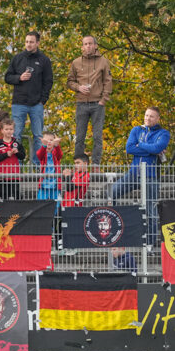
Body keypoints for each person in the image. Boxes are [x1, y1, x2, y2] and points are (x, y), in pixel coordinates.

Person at [110, 107, 170, 244]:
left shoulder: (163, 133)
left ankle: (150, 244)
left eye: (152, 116)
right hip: (133, 174)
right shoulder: (136, 130)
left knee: (151, 212)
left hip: (151, 177)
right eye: (146, 115)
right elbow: (129, 148)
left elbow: (157, 148)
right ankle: (115, 228)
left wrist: (140, 144)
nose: (148, 118)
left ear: (158, 119)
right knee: (111, 193)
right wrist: (151, 150)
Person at [4, 31, 54, 165]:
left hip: (36, 104)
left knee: (38, 136)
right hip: (18, 103)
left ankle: (37, 166)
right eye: (26, 42)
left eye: (31, 42)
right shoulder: (17, 58)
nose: (28, 44)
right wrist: (19, 78)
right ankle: (17, 166)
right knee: (16, 135)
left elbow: (48, 81)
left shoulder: (44, 60)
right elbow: (7, 77)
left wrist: (42, 100)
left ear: (37, 43)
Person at [66, 35, 113, 165]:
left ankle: (96, 165)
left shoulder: (103, 61)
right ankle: (78, 164)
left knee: (97, 137)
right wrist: (78, 87)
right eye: (85, 44)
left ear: (95, 45)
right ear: (82, 47)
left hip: (98, 104)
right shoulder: (76, 62)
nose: (88, 46)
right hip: (81, 103)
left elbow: (108, 81)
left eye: (90, 43)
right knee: (80, 137)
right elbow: (69, 81)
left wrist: (103, 100)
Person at [0, 118, 22, 200]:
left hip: (14, 175)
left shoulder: (17, 142)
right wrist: (6, 155)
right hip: (1, 176)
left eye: (11, 129)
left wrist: (17, 152)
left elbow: (23, 156)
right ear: (2, 130)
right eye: (6, 129)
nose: (9, 131)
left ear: (13, 130)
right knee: (1, 197)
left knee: (16, 197)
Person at [35, 132, 64, 201]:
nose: (49, 142)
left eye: (51, 140)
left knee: (56, 203)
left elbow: (60, 155)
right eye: (46, 140)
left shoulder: (56, 152)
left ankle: (56, 209)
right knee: (41, 203)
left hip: (55, 185)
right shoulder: (42, 152)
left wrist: (57, 145)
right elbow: (39, 154)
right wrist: (44, 146)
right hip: (44, 184)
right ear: (42, 141)